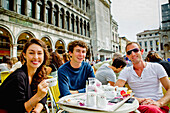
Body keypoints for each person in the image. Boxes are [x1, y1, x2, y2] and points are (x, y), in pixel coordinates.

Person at [115, 42, 170, 113]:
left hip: (156, 106)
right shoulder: (126, 71)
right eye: (129, 52)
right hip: (136, 106)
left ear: (141, 51)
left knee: (152, 109)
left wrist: (159, 103)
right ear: (127, 56)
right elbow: (116, 90)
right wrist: (138, 100)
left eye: (135, 50)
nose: (133, 54)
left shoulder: (156, 67)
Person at [0, 38, 50, 113]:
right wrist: (38, 96)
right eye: (31, 53)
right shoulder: (18, 77)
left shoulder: (39, 73)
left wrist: (37, 110)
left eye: (39, 53)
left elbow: (43, 96)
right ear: (24, 55)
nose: (36, 57)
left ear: (44, 56)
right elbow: (19, 109)